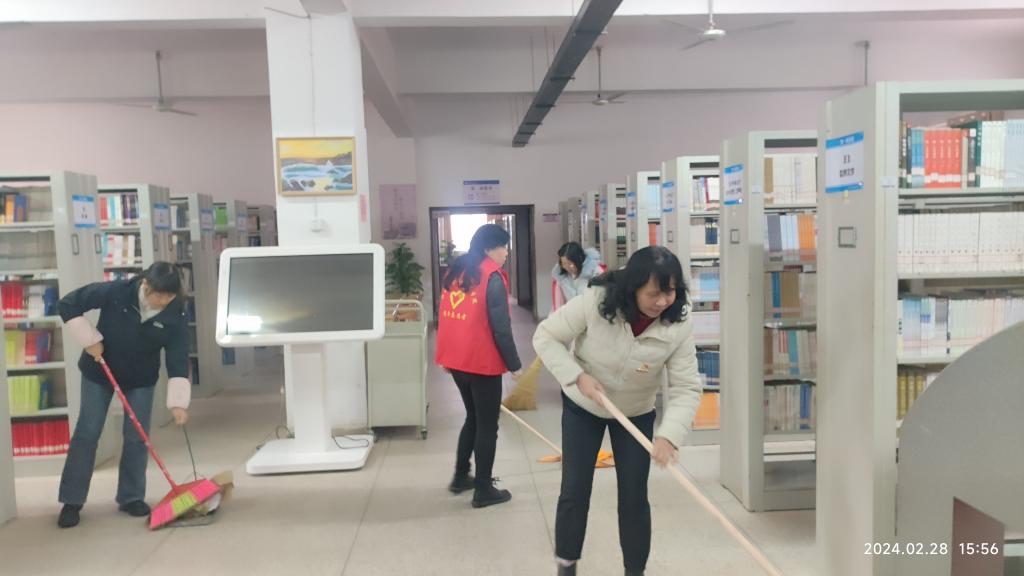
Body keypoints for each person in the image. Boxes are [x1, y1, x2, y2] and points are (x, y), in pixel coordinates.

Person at [533, 246, 704, 576]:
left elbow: (686, 387)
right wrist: (577, 376)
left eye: (669, 292)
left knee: (634, 497)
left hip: (635, 412)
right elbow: (546, 336)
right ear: (632, 288)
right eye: (653, 294)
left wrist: (669, 436)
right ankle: (567, 564)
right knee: (574, 490)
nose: (662, 302)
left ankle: (634, 571)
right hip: (584, 405)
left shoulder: (679, 322)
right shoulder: (597, 301)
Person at [55, 262, 192, 528]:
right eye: (159, 295)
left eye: (169, 296)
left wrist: (178, 403)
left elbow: (178, 355)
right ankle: (71, 501)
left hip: (141, 379)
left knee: (137, 437)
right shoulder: (117, 291)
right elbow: (68, 303)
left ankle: (131, 497)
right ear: (145, 284)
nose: (163, 301)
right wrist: (90, 339)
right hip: (100, 371)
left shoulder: (177, 313)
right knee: (87, 433)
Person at [436, 224, 523, 508]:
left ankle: (461, 476)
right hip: (480, 361)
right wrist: (515, 364)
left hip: (457, 360)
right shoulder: (491, 277)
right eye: (503, 247)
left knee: (473, 417)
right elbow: (501, 328)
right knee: (487, 424)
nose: (506, 252)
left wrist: (445, 355)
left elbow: (446, 316)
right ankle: (483, 489)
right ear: (488, 249)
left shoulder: (457, 271)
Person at [552, 242, 604, 309]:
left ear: (579, 260)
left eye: (570, 264)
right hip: (570, 314)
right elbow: (558, 305)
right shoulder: (561, 278)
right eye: (564, 264)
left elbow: (600, 299)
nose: (567, 267)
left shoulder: (596, 273)